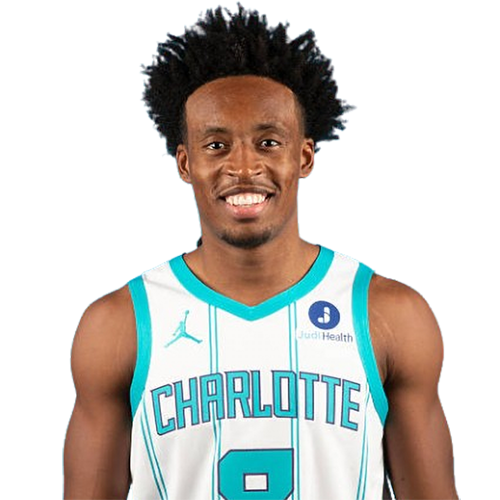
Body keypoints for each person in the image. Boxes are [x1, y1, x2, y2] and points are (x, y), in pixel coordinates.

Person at [63, 5, 459, 499]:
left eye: (268, 142)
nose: (244, 167)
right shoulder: (118, 325)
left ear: (304, 157)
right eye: (216, 145)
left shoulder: (390, 315)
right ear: (184, 163)